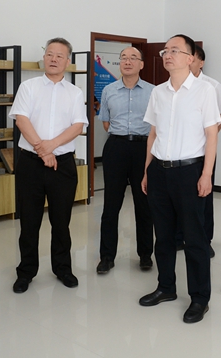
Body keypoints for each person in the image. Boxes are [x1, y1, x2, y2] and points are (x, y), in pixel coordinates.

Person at [138, 34, 220, 324]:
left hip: (189, 171)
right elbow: (153, 134)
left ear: (190, 57)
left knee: (195, 239)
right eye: (165, 51)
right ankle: (166, 287)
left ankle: (199, 298)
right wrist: (147, 170)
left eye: (175, 50)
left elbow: (212, 135)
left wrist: (207, 174)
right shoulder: (158, 92)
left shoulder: (204, 90)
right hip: (159, 170)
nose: (168, 55)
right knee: (163, 235)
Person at [10, 37, 88, 293]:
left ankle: (63, 268)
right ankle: (26, 272)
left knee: (61, 221)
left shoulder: (75, 92)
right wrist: (42, 151)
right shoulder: (28, 87)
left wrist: (50, 147)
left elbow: (77, 126)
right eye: (49, 54)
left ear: (68, 61)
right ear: (44, 58)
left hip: (62, 165)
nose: (53, 59)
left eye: (59, 55)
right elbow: (21, 120)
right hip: (30, 164)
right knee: (29, 221)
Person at [96, 47, 155, 274]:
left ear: (141, 64)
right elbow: (106, 122)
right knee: (111, 204)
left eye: (133, 58)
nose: (127, 62)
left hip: (143, 148)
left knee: (144, 203)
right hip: (116, 147)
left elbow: (157, 125)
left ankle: (145, 255)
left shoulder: (153, 91)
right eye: (123, 58)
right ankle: (106, 257)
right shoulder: (109, 90)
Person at [180, 44, 221, 257]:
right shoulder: (176, 84)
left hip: (203, 151)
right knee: (180, 196)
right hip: (181, 153)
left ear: (201, 62)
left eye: (192, 58)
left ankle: (205, 239)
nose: (188, 61)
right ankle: (180, 236)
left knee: (204, 196)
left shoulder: (212, 86)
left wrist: (206, 139)